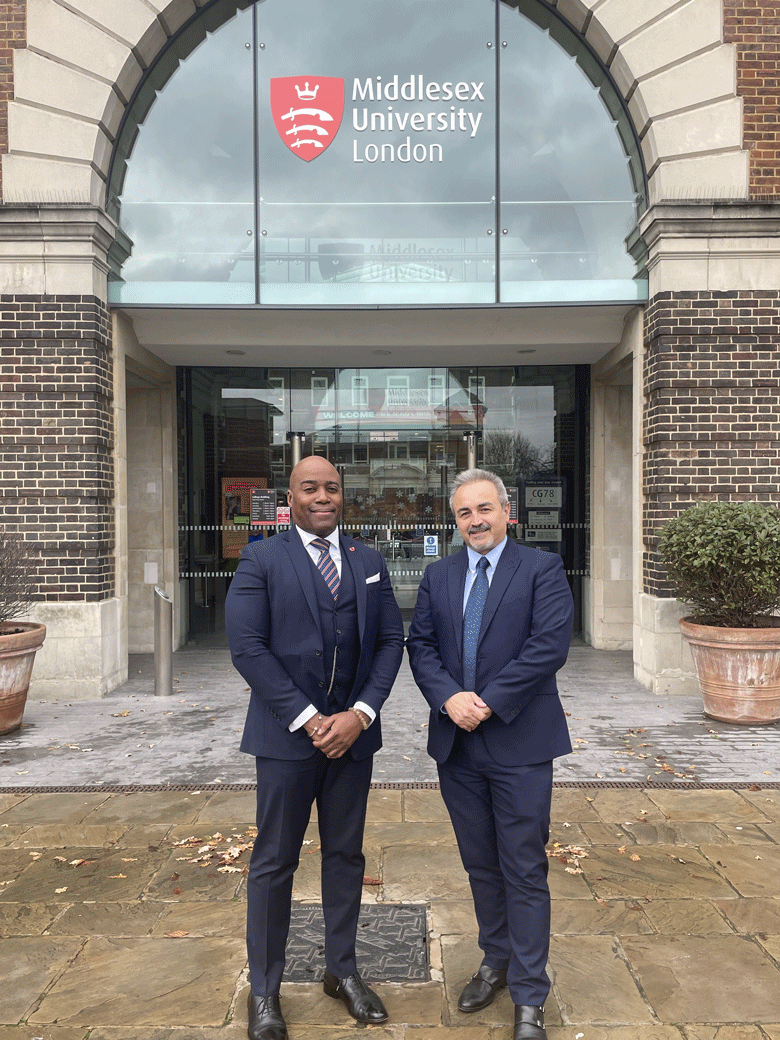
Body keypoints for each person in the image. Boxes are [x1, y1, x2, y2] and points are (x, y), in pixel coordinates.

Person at [226, 456, 404, 1040]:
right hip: (285, 741)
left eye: (331, 487)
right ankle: (266, 991)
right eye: (310, 487)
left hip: (354, 742)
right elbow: (248, 647)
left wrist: (360, 713)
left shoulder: (368, 560)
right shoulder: (261, 557)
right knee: (275, 863)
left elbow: (387, 643)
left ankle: (342, 970)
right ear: (291, 498)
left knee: (345, 856)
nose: (323, 496)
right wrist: (309, 720)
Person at [407, 468, 573, 1040]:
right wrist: (449, 698)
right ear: (455, 522)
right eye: (463, 514)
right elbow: (421, 646)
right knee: (480, 863)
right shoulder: (439, 574)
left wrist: (490, 702)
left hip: (520, 744)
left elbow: (548, 646)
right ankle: (495, 960)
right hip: (457, 745)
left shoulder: (541, 569)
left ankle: (530, 996)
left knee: (524, 866)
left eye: (484, 509)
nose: (475, 520)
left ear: (507, 511)